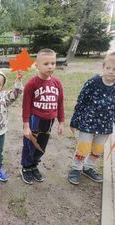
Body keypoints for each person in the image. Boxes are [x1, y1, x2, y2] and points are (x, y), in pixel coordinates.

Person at [68, 52, 115, 185]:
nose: (111, 72)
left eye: (114, 69)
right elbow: (81, 102)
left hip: (105, 126)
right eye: (108, 68)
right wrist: (74, 121)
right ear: (103, 67)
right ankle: (76, 169)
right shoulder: (93, 83)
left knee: (97, 149)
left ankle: (88, 167)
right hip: (87, 123)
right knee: (83, 148)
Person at [20, 48, 64, 185]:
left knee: (41, 145)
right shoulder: (31, 84)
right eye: (46, 64)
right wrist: (26, 126)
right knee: (30, 144)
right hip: (35, 120)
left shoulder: (57, 83)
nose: (50, 66)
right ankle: (26, 168)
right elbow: (26, 106)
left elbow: (60, 103)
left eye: (53, 63)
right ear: (37, 65)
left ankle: (34, 165)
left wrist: (61, 121)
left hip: (49, 121)